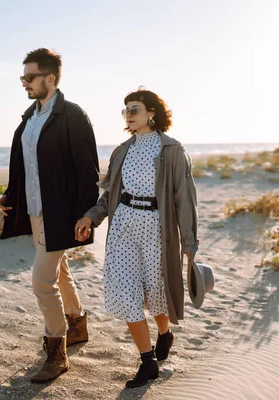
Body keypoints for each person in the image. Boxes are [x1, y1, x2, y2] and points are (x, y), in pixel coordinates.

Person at [74, 88, 198, 388]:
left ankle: (165, 334)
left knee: (156, 294)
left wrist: (189, 245)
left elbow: (185, 199)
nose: (128, 115)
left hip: (157, 228)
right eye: (125, 110)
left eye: (134, 109)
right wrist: (91, 216)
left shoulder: (172, 151)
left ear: (151, 113)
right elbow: (111, 195)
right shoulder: (122, 151)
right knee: (127, 295)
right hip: (123, 227)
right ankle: (147, 361)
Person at [0, 48, 100, 383]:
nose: (24, 83)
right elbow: (25, 167)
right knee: (59, 271)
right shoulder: (29, 117)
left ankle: (57, 354)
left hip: (60, 212)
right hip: (34, 211)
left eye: (30, 77)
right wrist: (9, 198)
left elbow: (87, 170)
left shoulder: (72, 115)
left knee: (42, 280)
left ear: (50, 78)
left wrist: (87, 214)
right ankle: (77, 323)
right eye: (22, 77)